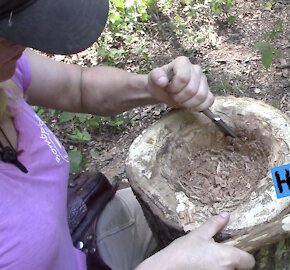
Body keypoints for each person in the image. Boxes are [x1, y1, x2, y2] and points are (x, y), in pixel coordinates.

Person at [0, 0, 255, 269]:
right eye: (6, 38)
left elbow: (78, 87)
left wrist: (151, 88)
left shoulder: (7, 70)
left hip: (79, 251)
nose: (23, 45)